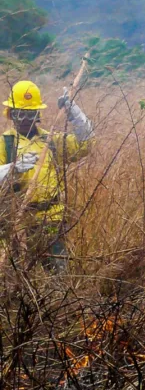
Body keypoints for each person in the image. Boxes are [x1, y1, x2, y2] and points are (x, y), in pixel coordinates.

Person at [0, 80, 93, 271]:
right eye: (20, 113)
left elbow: (85, 146)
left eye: (30, 113)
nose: (25, 119)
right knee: (17, 277)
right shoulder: (4, 143)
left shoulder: (50, 140)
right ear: (11, 114)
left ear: (38, 114)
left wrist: (74, 114)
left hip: (51, 220)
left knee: (58, 276)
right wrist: (13, 167)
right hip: (17, 224)